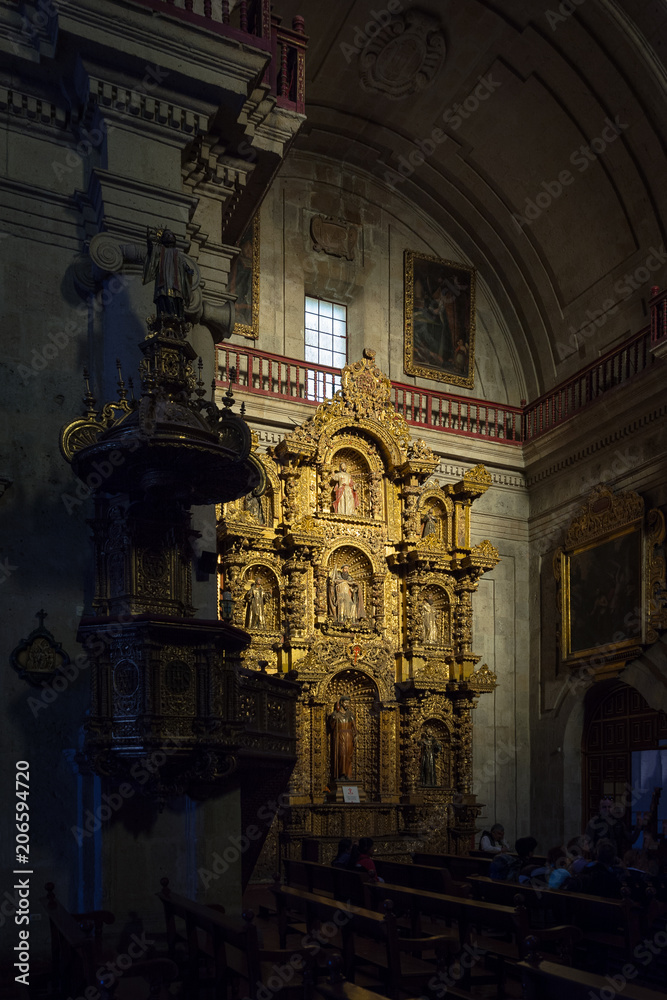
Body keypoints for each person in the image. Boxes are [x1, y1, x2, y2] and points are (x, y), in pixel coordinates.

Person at [142, 227, 194, 319]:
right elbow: (151, 254)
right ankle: (165, 314)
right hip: (163, 282)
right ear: (162, 239)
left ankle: (176, 315)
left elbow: (183, 264)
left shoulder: (177, 253)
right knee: (163, 296)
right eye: (167, 235)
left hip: (175, 283)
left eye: (171, 235)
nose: (169, 236)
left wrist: (188, 270)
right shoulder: (160, 251)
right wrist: (149, 241)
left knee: (176, 298)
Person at [327, 696, 357, 780]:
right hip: (339, 736)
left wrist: (356, 735)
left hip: (349, 736)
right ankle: (341, 774)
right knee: (341, 755)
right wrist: (333, 719)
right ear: (341, 703)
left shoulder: (350, 715)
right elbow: (332, 727)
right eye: (345, 702)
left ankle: (348, 774)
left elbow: (354, 727)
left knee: (348, 755)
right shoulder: (335, 714)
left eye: (348, 703)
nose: (347, 704)